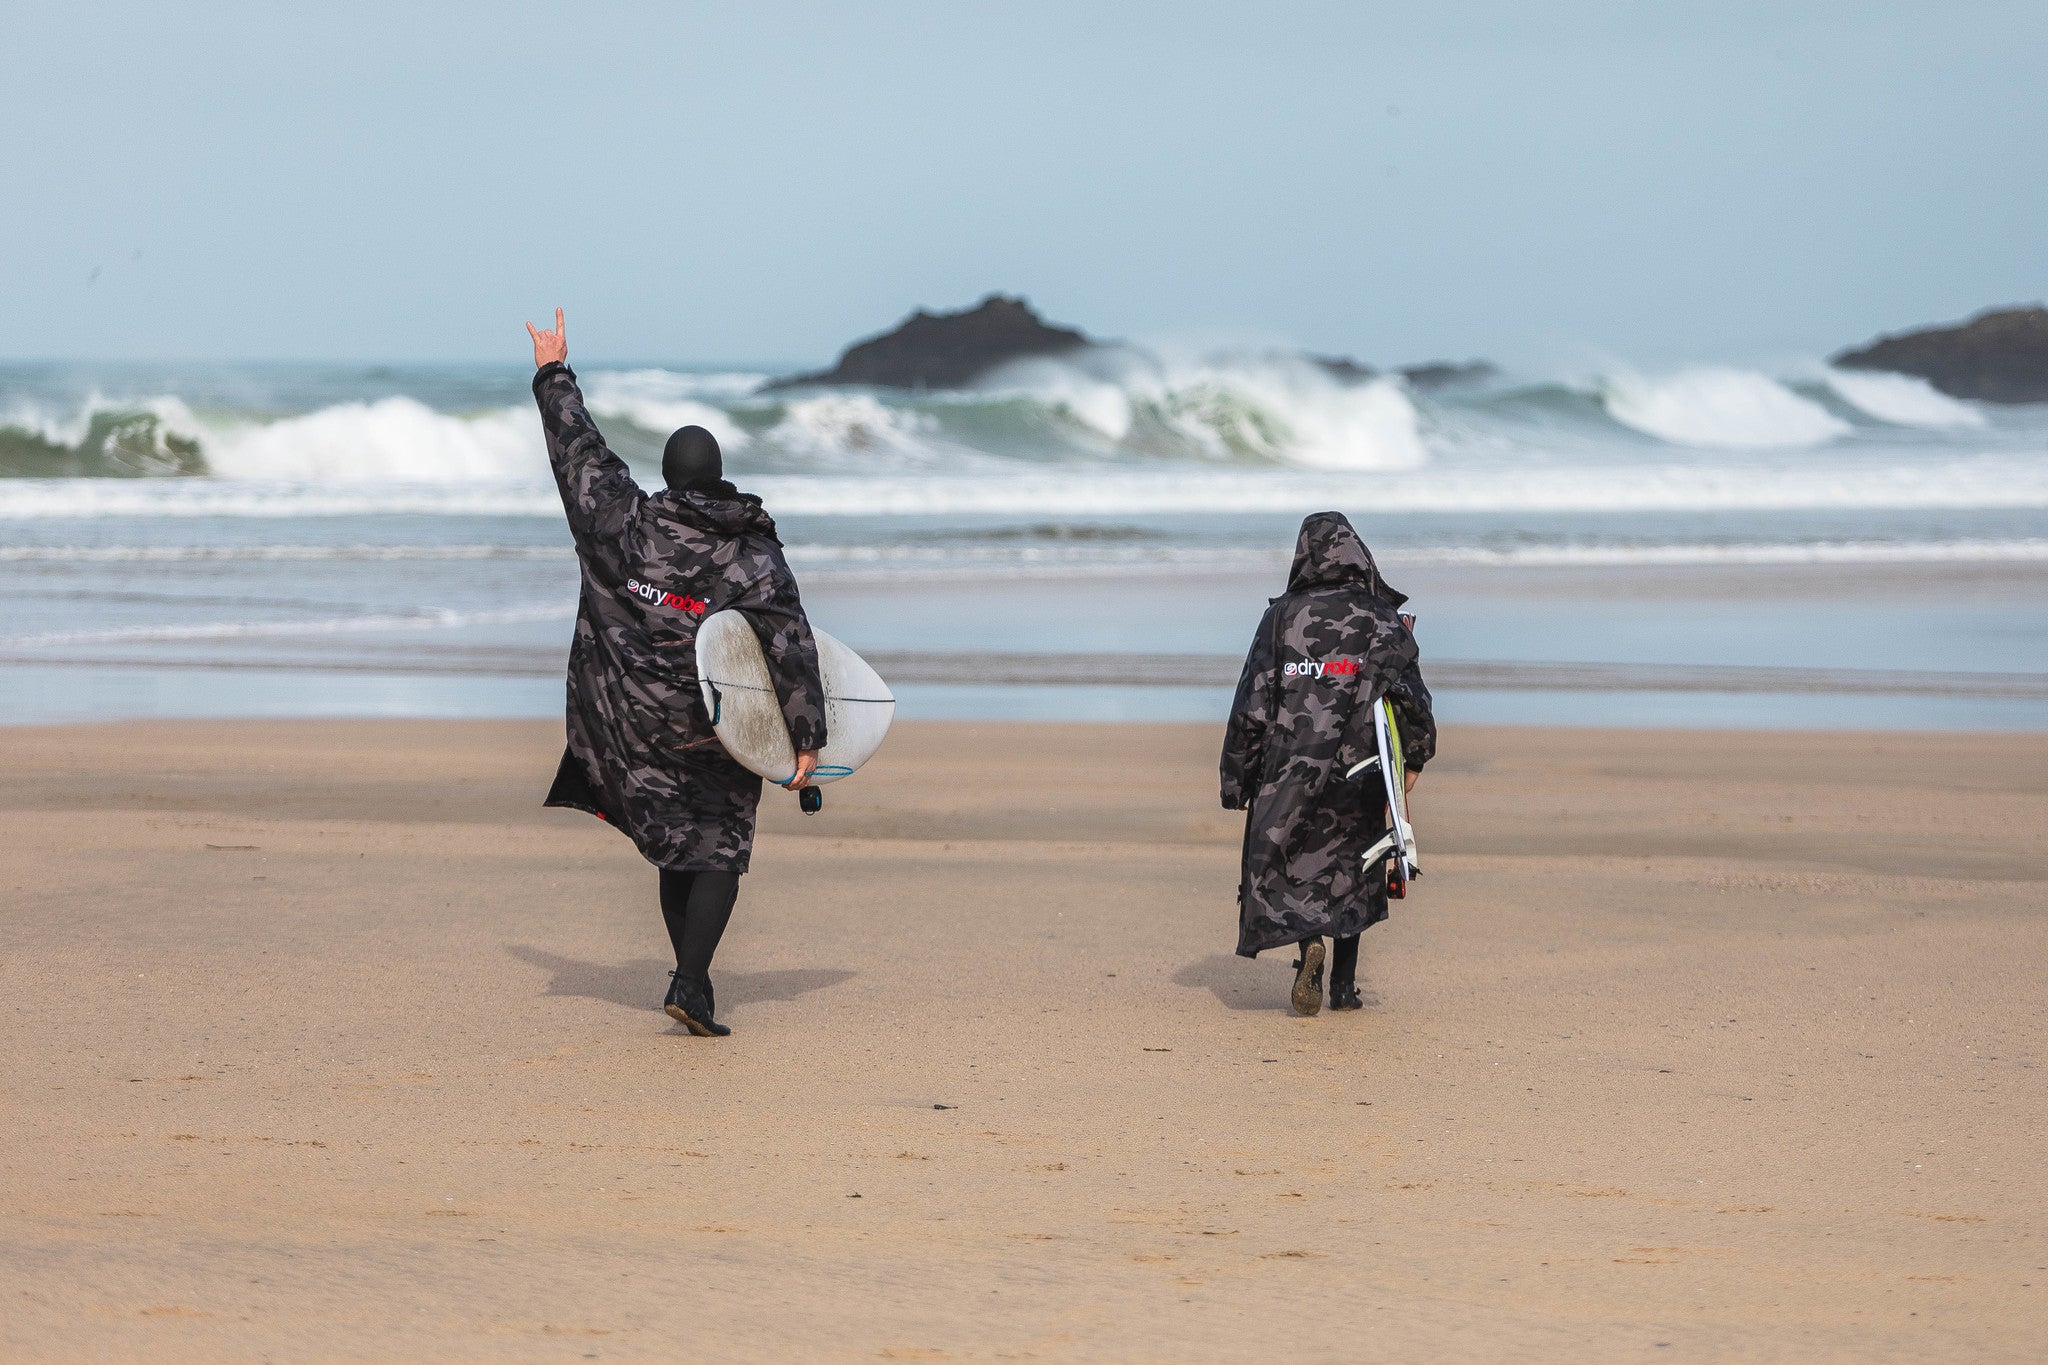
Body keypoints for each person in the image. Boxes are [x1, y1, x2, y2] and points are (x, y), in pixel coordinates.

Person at [524, 308, 826, 1037]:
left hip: (632, 722)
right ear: (719, 478)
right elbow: (789, 643)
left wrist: (552, 370)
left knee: (671, 841)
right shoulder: (751, 555)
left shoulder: (624, 524)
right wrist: (807, 739)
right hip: (714, 727)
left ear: (666, 475)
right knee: (719, 840)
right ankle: (691, 980)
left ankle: (693, 983)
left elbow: (579, 454)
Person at [1219, 511, 1435, 1016]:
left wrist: (1237, 778)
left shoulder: (1281, 618)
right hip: (1359, 771)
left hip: (1288, 768)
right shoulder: (1381, 619)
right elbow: (1412, 700)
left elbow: (1252, 705)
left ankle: (1308, 945)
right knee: (1352, 868)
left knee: (1298, 865)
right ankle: (1343, 986)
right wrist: (1416, 758)